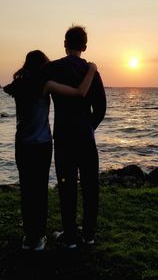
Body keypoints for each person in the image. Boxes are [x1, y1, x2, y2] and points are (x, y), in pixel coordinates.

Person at [3, 50, 97, 251]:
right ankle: (39, 239)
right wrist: (92, 69)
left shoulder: (18, 86)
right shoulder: (45, 85)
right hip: (42, 145)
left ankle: (31, 237)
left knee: (27, 190)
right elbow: (80, 92)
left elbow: (8, 88)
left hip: (22, 144)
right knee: (40, 190)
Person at [43, 25, 107, 249]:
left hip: (63, 135)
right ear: (85, 46)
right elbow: (100, 108)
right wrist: (90, 126)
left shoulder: (53, 68)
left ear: (64, 43)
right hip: (85, 136)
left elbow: (34, 83)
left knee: (66, 185)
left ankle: (70, 236)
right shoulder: (92, 72)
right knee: (90, 185)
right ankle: (88, 234)